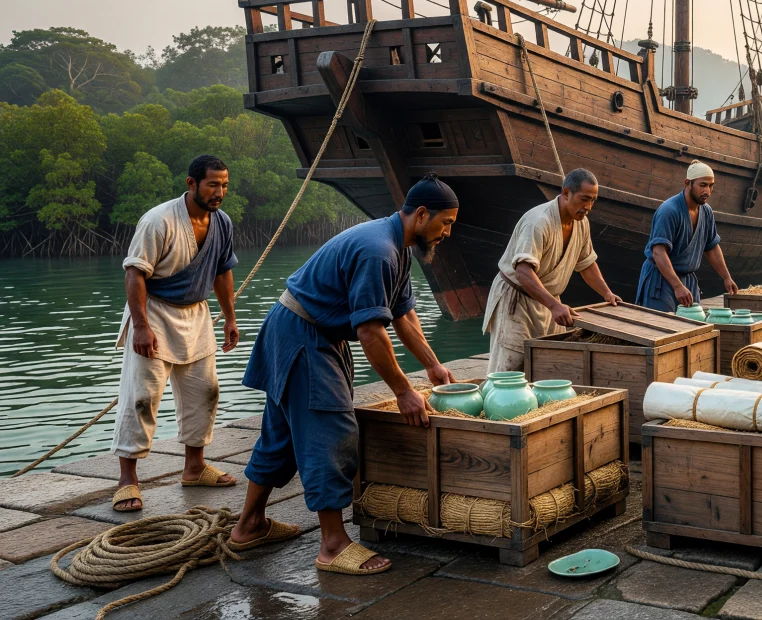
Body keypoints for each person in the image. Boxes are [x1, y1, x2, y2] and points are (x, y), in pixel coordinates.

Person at [232, 173, 461, 574]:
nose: (447, 233)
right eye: (446, 223)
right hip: (303, 336)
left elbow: (404, 314)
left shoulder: (398, 246)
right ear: (422, 214)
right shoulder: (379, 251)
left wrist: (432, 364)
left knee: (282, 433)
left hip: (306, 331)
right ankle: (333, 545)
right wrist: (404, 390)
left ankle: (249, 525)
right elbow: (370, 330)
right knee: (331, 431)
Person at [110, 155, 241, 512]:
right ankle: (127, 481)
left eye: (224, 185)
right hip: (153, 312)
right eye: (213, 184)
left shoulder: (222, 223)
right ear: (191, 183)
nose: (219, 192)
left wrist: (229, 318)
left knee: (206, 393)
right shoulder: (158, 221)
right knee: (142, 398)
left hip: (196, 315)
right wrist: (140, 326)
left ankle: (195, 467)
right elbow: (135, 274)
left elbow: (222, 271)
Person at [484, 169, 623, 372]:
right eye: (584, 199)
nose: (588, 207)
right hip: (516, 299)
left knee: (550, 362)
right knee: (510, 366)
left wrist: (607, 293)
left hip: (548, 301)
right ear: (566, 193)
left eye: (593, 201)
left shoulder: (581, 223)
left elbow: (586, 263)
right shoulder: (538, 222)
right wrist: (554, 306)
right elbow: (523, 271)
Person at [637, 161, 739, 311]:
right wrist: (677, 286)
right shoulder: (669, 211)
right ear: (688, 183)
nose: (707, 191)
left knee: (690, 328)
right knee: (662, 328)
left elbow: (711, 247)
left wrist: (726, 277)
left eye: (711, 186)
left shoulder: (706, 211)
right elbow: (658, 252)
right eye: (702, 185)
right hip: (661, 279)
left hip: (688, 280)